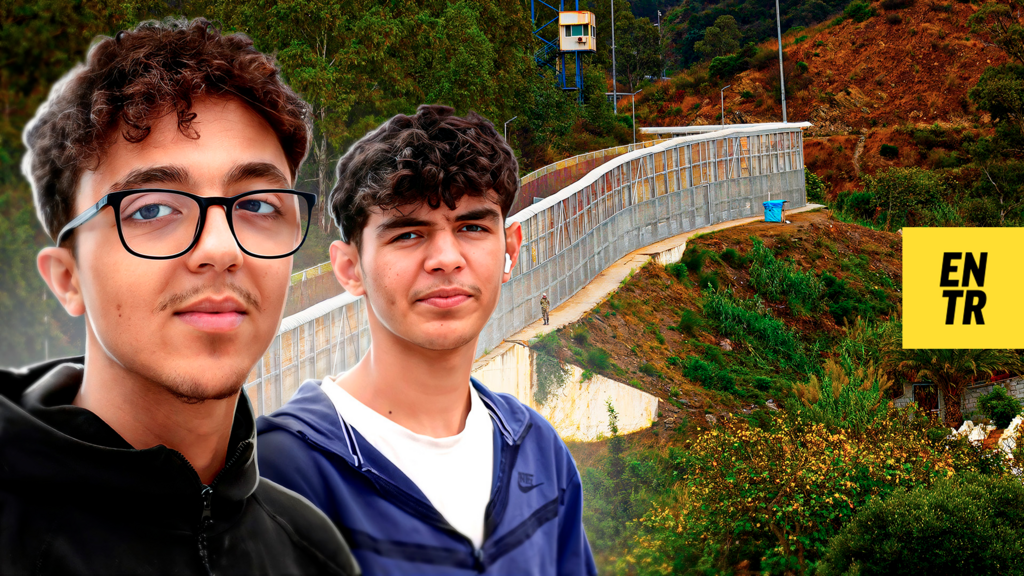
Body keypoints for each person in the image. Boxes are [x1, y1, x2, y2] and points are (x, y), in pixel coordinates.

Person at [2, 18, 359, 575]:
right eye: (151, 209)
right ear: (67, 279)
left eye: (257, 205)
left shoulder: (312, 554)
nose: (220, 248)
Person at [256, 105, 597, 575]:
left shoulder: (537, 450)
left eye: (472, 228)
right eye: (409, 234)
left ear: (510, 248)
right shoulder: (282, 470)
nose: (446, 258)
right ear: (349, 268)